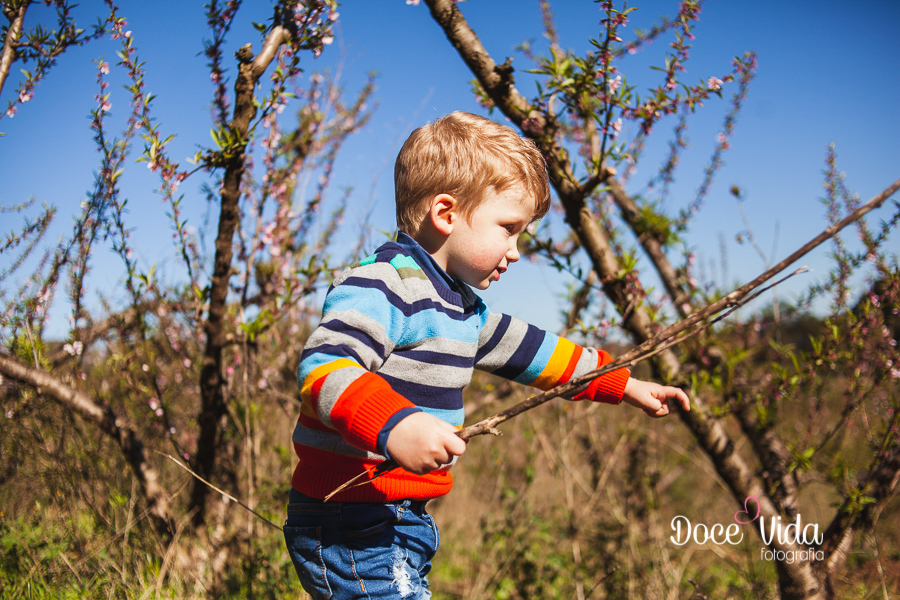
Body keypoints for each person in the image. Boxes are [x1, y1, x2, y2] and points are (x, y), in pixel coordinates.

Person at [283, 111, 690, 599]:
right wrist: (396, 425)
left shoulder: (461, 309)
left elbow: (536, 353)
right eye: (508, 228)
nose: (515, 250)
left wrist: (622, 383)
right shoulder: (383, 286)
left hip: (398, 515)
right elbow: (325, 367)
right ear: (447, 214)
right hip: (351, 514)